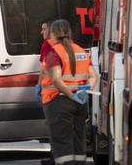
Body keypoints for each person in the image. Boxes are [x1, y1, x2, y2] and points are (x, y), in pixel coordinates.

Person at [40, 20, 98, 165]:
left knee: (62, 144)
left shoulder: (54, 52)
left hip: (58, 102)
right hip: (80, 104)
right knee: (78, 140)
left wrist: (71, 95)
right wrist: (85, 91)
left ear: (53, 34)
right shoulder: (81, 51)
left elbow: (56, 80)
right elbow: (93, 76)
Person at [36, 18, 55, 101]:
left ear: (51, 30)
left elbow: (43, 69)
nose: (41, 32)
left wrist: (39, 85)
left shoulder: (47, 44)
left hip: (50, 89)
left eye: (44, 29)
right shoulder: (65, 43)